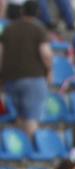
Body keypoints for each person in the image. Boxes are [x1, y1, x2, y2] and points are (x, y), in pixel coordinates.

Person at [0, 2, 54, 140]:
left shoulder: (8, 29)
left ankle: (20, 148)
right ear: (37, 13)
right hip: (33, 78)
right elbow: (46, 54)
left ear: (22, 11)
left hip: (11, 79)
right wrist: (49, 73)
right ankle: (30, 148)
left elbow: (1, 54)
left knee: (17, 118)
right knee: (31, 118)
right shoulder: (38, 29)